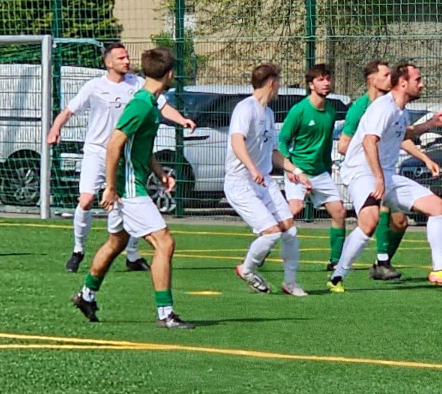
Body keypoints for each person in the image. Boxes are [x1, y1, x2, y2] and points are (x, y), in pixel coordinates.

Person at [70, 48, 193, 329]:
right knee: (165, 242)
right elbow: (114, 144)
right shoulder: (140, 105)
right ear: (170, 74)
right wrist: (111, 188)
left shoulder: (147, 102)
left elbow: (139, 147)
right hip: (129, 189)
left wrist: (159, 172)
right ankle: (166, 313)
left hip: (131, 184)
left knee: (117, 242)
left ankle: (86, 295)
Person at [47, 42, 194, 273]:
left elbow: (162, 106)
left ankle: (132, 255)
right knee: (85, 200)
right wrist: (56, 129)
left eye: (127, 57)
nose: (127, 61)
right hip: (97, 151)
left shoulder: (138, 85)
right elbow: (68, 111)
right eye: (121, 58)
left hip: (125, 153)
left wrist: (181, 120)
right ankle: (78, 250)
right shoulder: (95, 85)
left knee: (129, 202)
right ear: (108, 63)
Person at [329, 62, 442, 291]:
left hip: (385, 174)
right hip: (362, 172)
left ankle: (440, 270)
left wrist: (431, 125)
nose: (422, 84)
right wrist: (379, 179)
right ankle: (337, 277)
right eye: (418, 80)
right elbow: (368, 141)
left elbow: (404, 133)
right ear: (403, 83)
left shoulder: (401, 110)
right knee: (369, 221)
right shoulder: (383, 107)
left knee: (438, 207)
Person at [226, 63, 311, 297]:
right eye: (279, 83)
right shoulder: (246, 108)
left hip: (263, 181)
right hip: (240, 182)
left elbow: (273, 152)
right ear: (272, 83)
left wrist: (296, 170)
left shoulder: (269, 113)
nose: (279, 88)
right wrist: (252, 168)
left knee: (289, 230)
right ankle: (247, 269)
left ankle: (290, 283)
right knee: (271, 232)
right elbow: (236, 141)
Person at [278, 64, 346, 274]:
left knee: (339, 212)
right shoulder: (299, 110)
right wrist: (290, 168)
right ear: (310, 84)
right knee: (295, 209)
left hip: (320, 173)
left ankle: (336, 261)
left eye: (328, 79)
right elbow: (282, 140)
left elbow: (325, 144)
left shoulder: (331, 111)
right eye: (320, 79)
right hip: (298, 170)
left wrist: (327, 166)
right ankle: (264, 243)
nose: (326, 83)